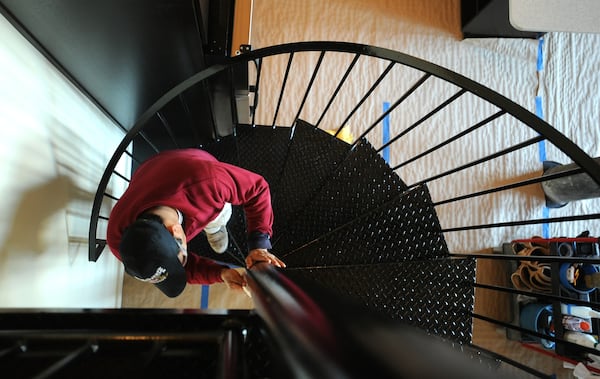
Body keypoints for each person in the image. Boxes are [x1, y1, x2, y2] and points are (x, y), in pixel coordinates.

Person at [106, 148, 285, 298]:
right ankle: (213, 228)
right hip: (149, 174)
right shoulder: (121, 242)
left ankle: (215, 227)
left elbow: (257, 189)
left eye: (183, 259)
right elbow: (171, 266)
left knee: (219, 215)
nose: (183, 265)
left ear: (176, 231)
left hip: (190, 165)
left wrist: (258, 244)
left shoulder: (208, 183)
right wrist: (220, 273)